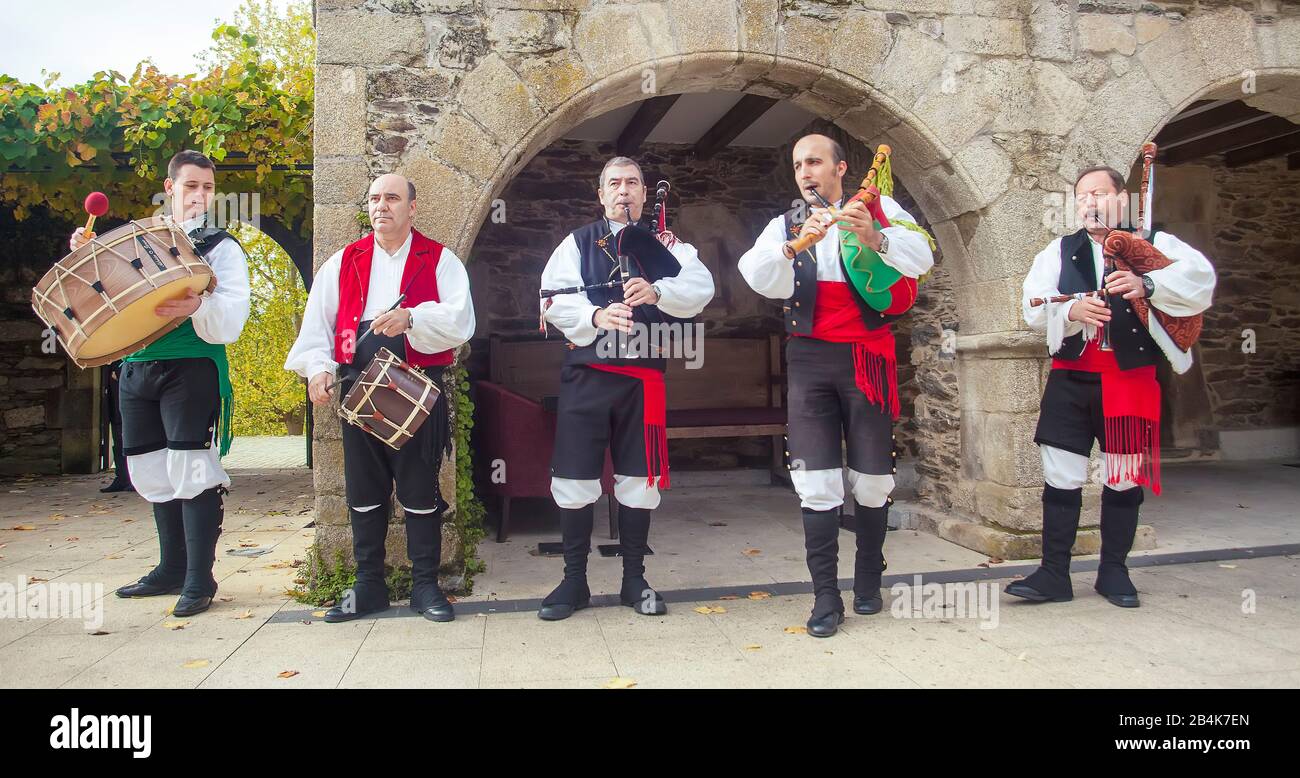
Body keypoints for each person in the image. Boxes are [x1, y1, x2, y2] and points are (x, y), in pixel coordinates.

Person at [738, 134, 934, 637]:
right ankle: (826, 595)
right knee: (816, 481)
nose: (805, 172)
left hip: (867, 358)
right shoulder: (784, 223)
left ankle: (868, 576)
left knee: (871, 480)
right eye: (798, 163)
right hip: (809, 360)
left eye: (815, 162)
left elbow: (922, 256)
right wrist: (793, 243)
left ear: (840, 168)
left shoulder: (879, 206)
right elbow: (756, 274)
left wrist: (875, 237)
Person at [1011, 165, 1215, 608]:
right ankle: (1053, 575)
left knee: (1122, 479)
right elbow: (1033, 305)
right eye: (1082, 195)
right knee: (1060, 475)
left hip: (1130, 380)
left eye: (1099, 193)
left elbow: (1201, 283)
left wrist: (1148, 284)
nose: (1089, 202)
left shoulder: (1157, 244)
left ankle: (1114, 572)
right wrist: (1070, 315)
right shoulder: (1059, 250)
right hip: (1070, 379)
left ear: (1122, 200)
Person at [285, 173, 475, 623]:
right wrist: (318, 370)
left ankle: (425, 584)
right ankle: (367, 585)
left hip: (417, 391)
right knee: (364, 488)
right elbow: (319, 327)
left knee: (419, 486)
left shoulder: (440, 260)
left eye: (392, 197)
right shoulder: (343, 262)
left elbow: (461, 321)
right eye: (374, 198)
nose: (381, 206)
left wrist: (411, 318)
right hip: (359, 392)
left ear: (413, 207)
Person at [71, 149, 251, 617]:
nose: (200, 196)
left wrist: (199, 308)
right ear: (170, 188)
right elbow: (101, 298)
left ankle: (200, 578)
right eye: (191, 186)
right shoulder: (133, 243)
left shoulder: (220, 246)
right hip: (136, 368)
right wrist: (85, 260)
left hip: (192, 366)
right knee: (150, 469)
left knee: (192, 469)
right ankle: (171, 568)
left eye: (208, 188)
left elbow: (233, 315)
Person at [536, 156, 714, 621]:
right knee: (574, 478)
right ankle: (574, 582)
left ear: (642, 192)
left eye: (632, 183)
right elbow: (550, 298)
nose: (624, 191)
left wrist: (660, 292)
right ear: (600, 195)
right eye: (614, 183)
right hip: (588, 375)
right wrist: (595, 316)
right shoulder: (577, 242)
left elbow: (701, 288)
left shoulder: (668, 245)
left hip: (644, 380)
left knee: (639, 479)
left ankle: (634, 581)